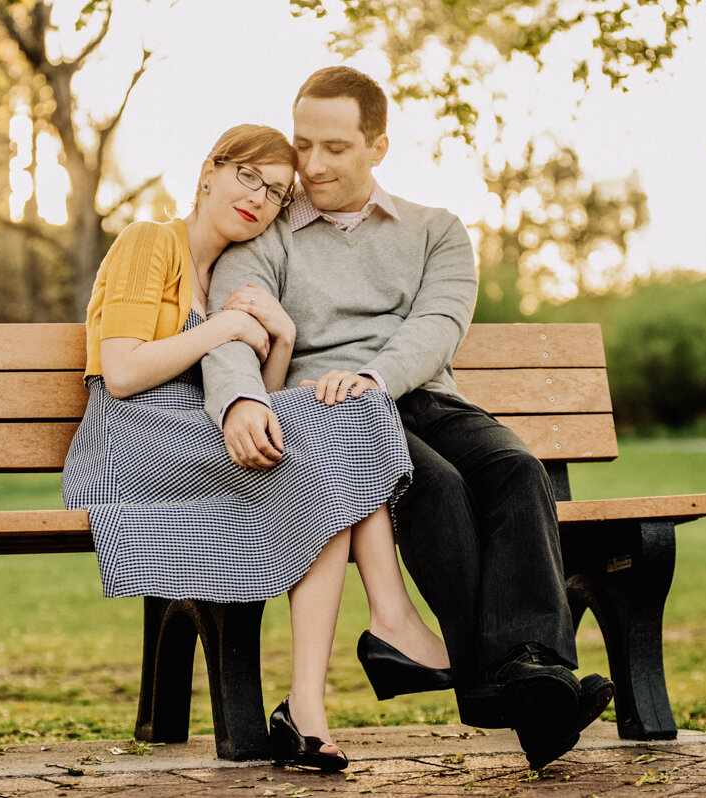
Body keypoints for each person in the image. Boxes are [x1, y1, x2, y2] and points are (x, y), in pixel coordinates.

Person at [201, 68, 616, 771]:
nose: (314, 164)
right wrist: (241, 400)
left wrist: (375, 377)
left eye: (336, 147)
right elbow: (232, 333)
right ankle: (506, 689)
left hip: (420, 394)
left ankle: (531, 667)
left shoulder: (437, 231)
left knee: (517, 468)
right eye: (304, 145)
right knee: (437, 484)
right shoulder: (268, 234)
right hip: (327, 415)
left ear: (378, 147)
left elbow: (438, 326)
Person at [62, 124, 453, 772]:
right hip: (130, 444)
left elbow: (255, 409)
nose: (260, 198)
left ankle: (307, 710)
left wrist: (283, 339)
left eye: (276, 192)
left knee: (334, 463)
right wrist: (228, 325)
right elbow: (124, 371)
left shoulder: (229, 279)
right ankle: (391, 619)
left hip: (196, 441)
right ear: (209, 171)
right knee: (346, 426)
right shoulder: (150, 242)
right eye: (249, 176)